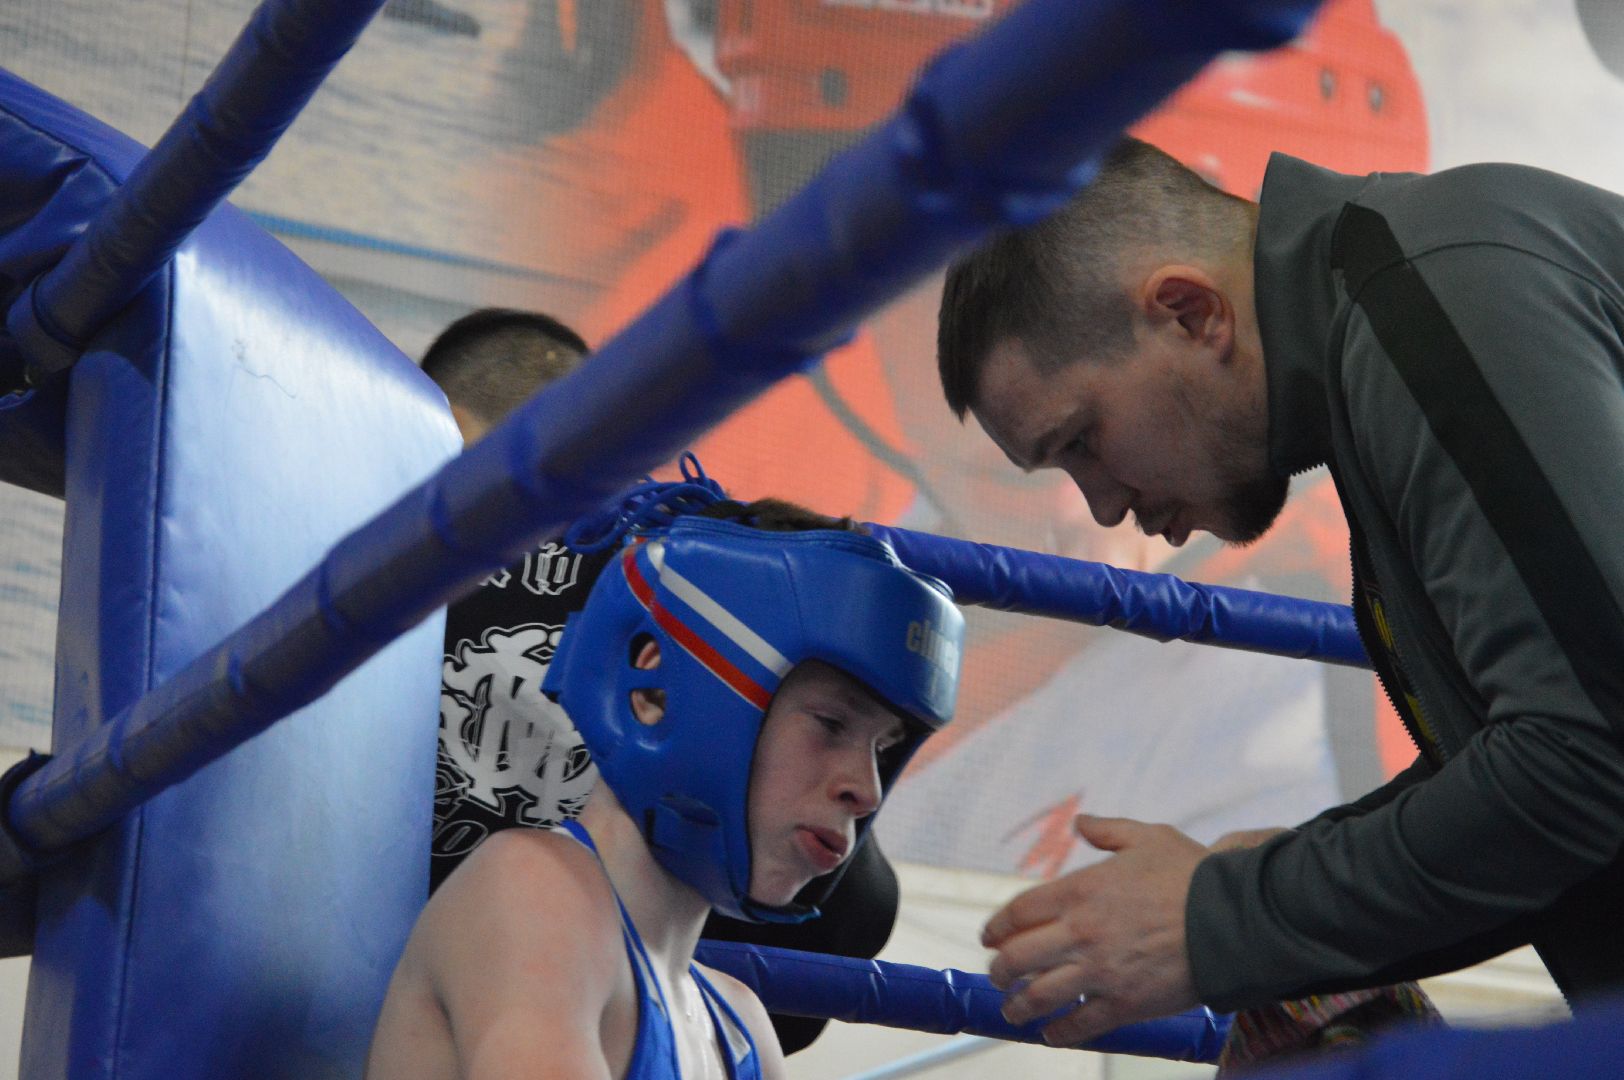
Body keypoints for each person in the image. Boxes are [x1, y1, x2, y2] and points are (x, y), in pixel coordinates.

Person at [934, 136, 1624, 1044]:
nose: (1102, 505)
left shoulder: (1431, 288)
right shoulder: (1391, 322)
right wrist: (1285, 891)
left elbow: (1589, 754)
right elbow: (1561, 775)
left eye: (1082, 440)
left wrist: (1223, 917)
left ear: (1190, 314)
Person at [419, 308, 911, 1054]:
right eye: (832, 725)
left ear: (442, 425)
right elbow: (847, 927)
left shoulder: (371, 566)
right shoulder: (694, 588)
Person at [366, 504, 965, 1079]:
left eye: (882, 749)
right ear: (657, 689)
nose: (866, 790)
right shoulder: (533, 891)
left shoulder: (740, 1026)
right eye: (831, 724)